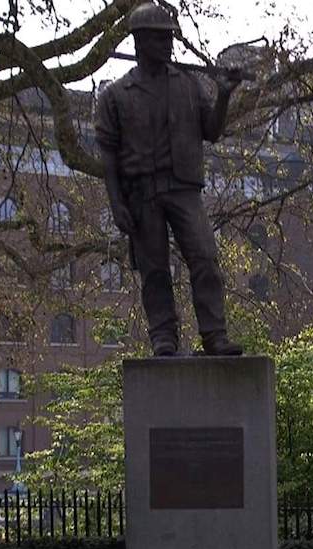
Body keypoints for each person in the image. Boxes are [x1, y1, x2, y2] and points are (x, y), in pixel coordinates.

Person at [94, 2, 244, 357]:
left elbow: (213, 131)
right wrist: (116, 203)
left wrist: (224, 94)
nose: (169, 45)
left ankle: (214, 335)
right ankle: (163, 335)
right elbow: (108, 156)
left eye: (170, 38)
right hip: (141, 193)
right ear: (139, 42)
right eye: (161, 39)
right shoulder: (115, 95)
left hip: (184, 189)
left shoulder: (188, 85)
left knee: (205, 258)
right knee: (154, 269)